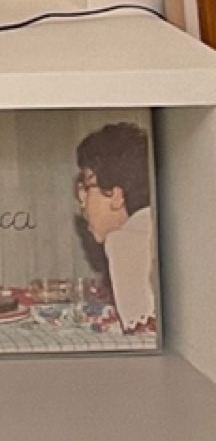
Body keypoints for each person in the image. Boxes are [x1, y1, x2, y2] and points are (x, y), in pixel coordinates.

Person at [74, 122, 157, 335]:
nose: (82, 203)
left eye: (86, 189)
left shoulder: (124, 241)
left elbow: (143, 338)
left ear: (116, 196)